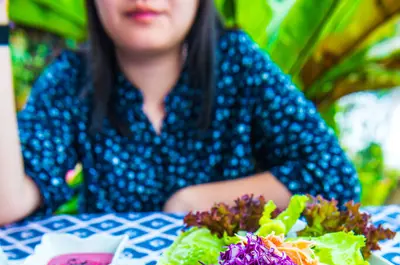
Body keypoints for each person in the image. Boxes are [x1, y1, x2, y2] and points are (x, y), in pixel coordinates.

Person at [0, 0, 360, 225]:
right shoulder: (70, 80)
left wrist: (189, 201)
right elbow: (7, 203)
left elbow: (334, 179)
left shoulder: (237, 62)